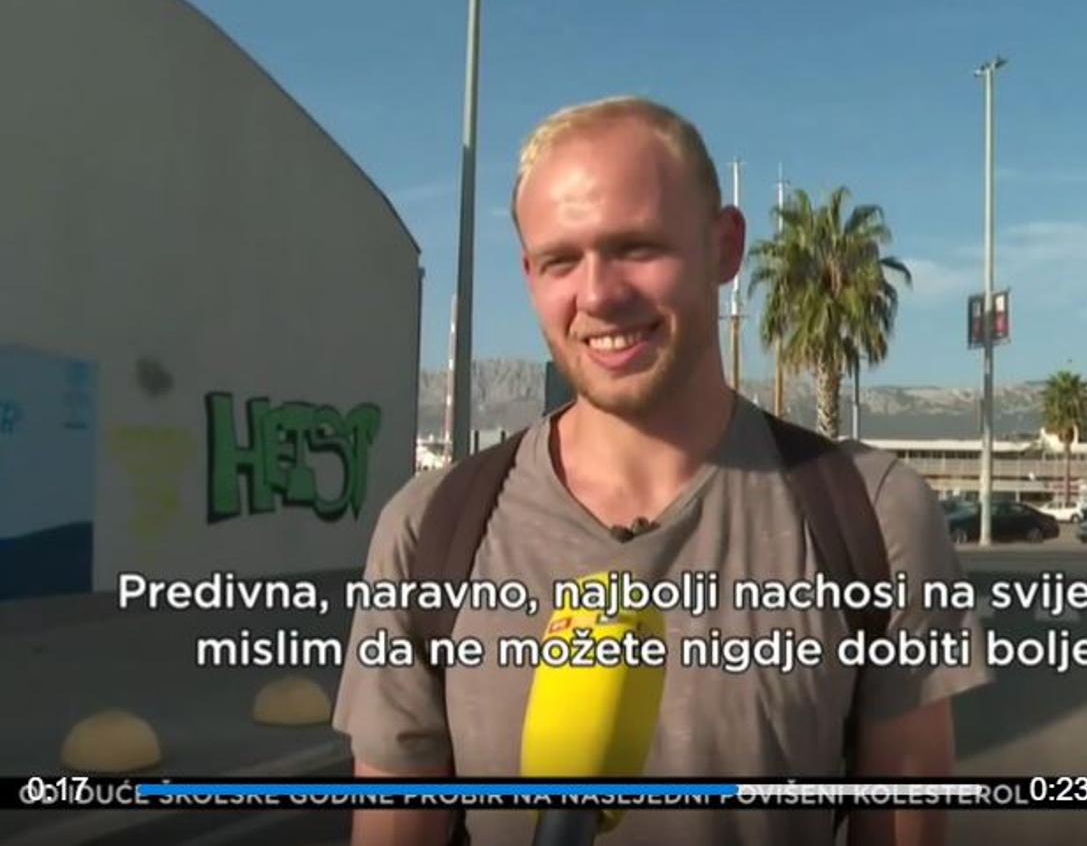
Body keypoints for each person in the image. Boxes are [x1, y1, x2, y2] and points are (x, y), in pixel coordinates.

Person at [332, 96, 992, 846]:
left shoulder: (874, 515)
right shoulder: (427, 530)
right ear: (529, 274)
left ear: (724, 247)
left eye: (637, 247)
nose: (598, 294)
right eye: (560, 260)